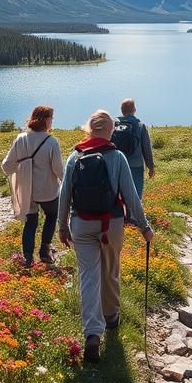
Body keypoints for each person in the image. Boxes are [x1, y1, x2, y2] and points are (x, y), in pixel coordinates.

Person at [58, 110, 154, 364]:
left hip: (81, 223)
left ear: (89, 129)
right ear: (109, 130)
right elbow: (131, 197)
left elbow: (64, 195)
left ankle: (92, 333)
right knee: (110, 271)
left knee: (88, 277)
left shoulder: (74, 156)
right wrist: (144, 226)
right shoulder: (117, 156)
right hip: (110, 224)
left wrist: (62, 226)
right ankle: (111, 318)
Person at [1, 105, 64, 267]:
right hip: (48, 191)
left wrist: (22, 168)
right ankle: (45, 251)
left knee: (31, 222)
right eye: (51, 118)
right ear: (46, 120)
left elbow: (6, 166)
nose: (52, 121)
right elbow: (58, 170)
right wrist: (69, 185)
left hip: (26, 191)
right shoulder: (51, 142)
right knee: (51, 216)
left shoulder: (21, 139)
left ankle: (27, 258)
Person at [112, 99, 155, 198]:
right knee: (136, 194)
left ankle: (122, 212)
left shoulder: (114, 126)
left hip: (118, 164)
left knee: (119, 194)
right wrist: (151, 167)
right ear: (134, 110)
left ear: (122, 111)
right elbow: (146, 148)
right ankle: (134, 212)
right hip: (136, 165)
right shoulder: (140, 126)